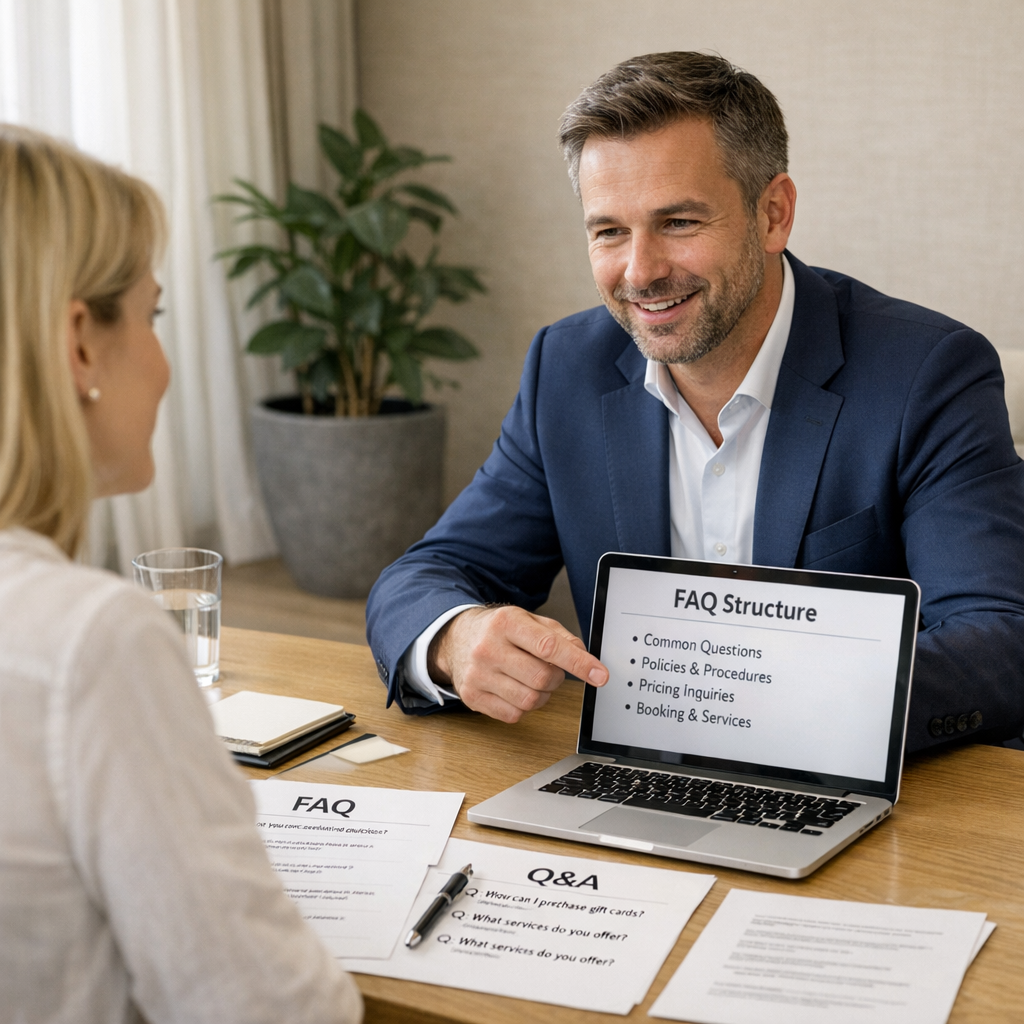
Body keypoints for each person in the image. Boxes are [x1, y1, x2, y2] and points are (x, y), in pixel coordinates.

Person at [366, 52, 1024, 753]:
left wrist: (740, 697)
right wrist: (455, 638)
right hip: (632, 785)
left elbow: (998, 638)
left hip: (866, 789)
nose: (640, 271)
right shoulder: (566, 369)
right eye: (609, 231)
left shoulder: (927, 372)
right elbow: (428, 575)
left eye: (678, 222)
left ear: (773, 214)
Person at [0, 125, 362, 1023]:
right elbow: (271, 1012)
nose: (164, 364)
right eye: (153, 317)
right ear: (80, 343)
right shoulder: (89, 643)